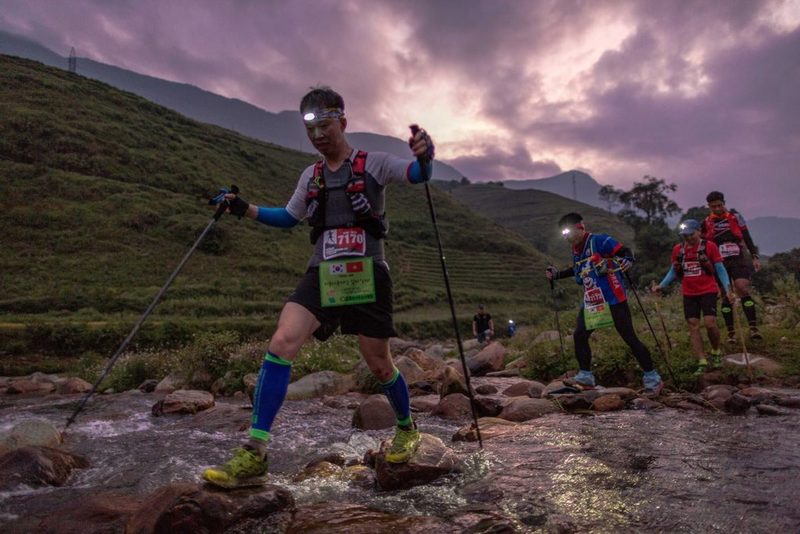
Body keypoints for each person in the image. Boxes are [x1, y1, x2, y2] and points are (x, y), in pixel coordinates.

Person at [202, 86, 435, 488]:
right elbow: (290, 217)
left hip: (369, 274)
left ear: (342, 122)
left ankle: (406, 427)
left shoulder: (373, 164)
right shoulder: (309, 176)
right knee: (282, 342)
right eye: (311, 129)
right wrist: (244, 208)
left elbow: (415, 174)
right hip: (323, 274)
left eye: (325, 126)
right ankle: (255, 452)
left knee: (379, 364)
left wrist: (424, 156)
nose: (318, 136)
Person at [545, 213, 663, 396]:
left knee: (629, 338)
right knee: (579, 335)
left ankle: (653, 379)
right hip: (593, 301)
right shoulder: (576, 250)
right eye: (563, 234)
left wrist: (628, 260)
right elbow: (577, 270)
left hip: (613, 299)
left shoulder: (599, 241)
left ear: (580, 227)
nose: (566, 236)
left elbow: (625, 251)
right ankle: (585, 378)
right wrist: (557, 275)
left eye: (568, 232)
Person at [652, 219, 734, 375]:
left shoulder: (710, 247)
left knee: (710, 324)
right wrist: (661, 286)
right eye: (685, 235)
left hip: (708, 290)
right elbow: (674, 271)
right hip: (689, 293)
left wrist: (728, 289)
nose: (688, 237)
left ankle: (716, 351)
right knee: (693, 325)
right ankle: (701, 360)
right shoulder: (678, 250)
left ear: (699, 232)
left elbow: (720, 268)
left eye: (690, 234)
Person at [702, 191, 762, 343]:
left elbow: (747, 236)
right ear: (709, 206)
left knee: (742, 287)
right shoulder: (706, 222)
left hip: (737, 258)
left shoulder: (735, 217)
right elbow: (703, 244)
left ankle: (753, 328)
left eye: (720, 205)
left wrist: (754, 256)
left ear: (724, 203)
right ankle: (731, 332)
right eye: (714, 206)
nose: (717, 209)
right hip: (719, 262)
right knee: (725, 295)